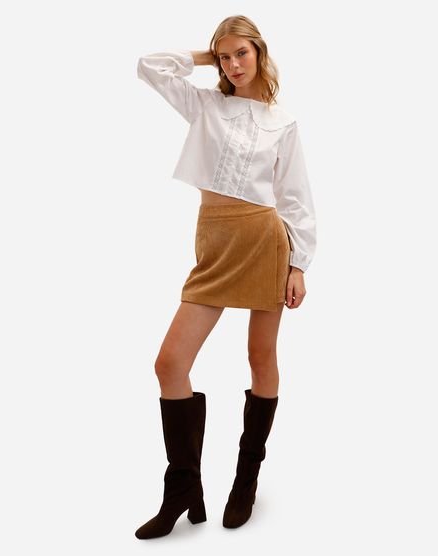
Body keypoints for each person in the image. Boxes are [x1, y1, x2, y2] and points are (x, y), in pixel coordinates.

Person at [134, 15, 317, 539]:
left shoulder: (283, 122)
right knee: (170, 363)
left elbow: (295, 197)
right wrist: (202, 56)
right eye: (225, 56)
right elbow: (148, 67)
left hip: (263, 240)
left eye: (242, 53)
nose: (234, 64)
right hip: (214, 243)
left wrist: (298, 264)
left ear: (260, 52)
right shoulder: (206, 105)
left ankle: (245, 480)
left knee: (261, 357)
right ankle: (183, 489)